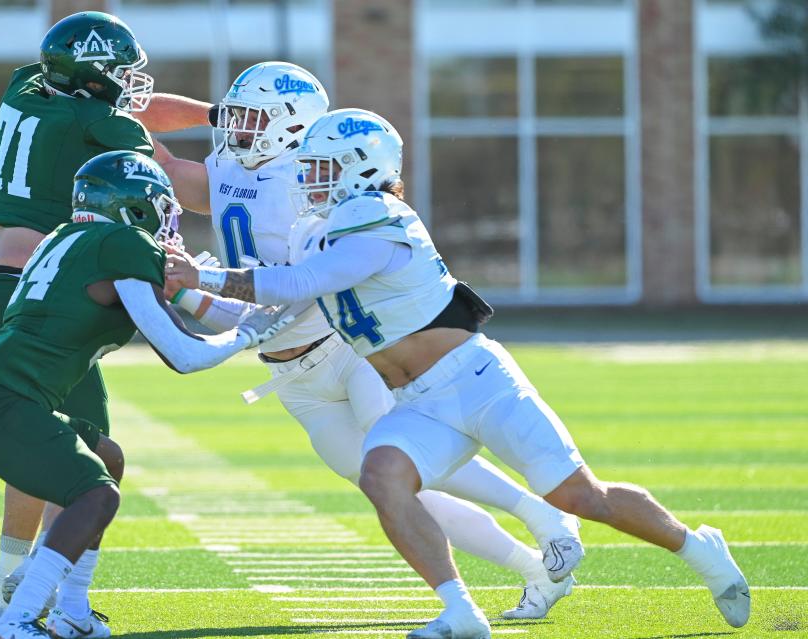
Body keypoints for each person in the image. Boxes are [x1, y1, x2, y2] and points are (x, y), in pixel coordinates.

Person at [164, 108, 752, 639]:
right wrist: (200, 295)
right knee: (382, 477)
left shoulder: (379, 216)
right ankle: (460, 612)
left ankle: (699, 548)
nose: (307, 177)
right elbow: (286, 293)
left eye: (319, 166)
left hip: (476, 381)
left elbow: (296, 284)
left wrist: (202, 277)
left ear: (358, 167)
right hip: (416, 399)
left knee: (582, 496)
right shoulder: (318, 225)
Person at [157, 62, 579, 619]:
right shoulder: (236, 159)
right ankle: (533, 568)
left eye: (251, 117)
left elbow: (309, 280)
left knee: (414, 463)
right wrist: (106, 118)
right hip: (290, 372)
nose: (236, 128)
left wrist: (214, 292)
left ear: (290, 125)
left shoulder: (312, 178)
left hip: (341, 348)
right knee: (398, 490)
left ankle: (543, 516)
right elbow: (160, 161)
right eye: (235, 116)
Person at [0, 150, 291, 639]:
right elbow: (183, 355)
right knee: (95, 495)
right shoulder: (123, 244)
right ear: (134, 207)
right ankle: (16, 620)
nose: (167, 219)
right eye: (160, 206)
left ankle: (71, 608)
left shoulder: (64, 238)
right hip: (3, 402)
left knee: (107, 458)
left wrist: (183, 289)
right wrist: (247, 335)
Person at [0, 10, 213, 618]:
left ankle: (8, 576)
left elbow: (136, 109)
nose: (131, 84)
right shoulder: (98, 122)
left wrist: (218, 116)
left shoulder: (27, 87)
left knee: (42, 434)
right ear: (94, 77)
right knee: (86, 457)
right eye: (120, 72)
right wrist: (259, 178)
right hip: (26, 291)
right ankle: (46, 593)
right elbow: (178, 180)